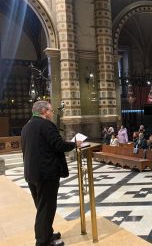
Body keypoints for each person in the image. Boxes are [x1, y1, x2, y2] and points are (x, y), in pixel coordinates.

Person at [21, 101, 82, 246]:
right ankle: (43, 242)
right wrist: (75, 144)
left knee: (42, 206)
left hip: (32, 174)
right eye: (51, 110)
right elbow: (58, 145)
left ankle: (47, 233)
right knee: (47, 207)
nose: (52, 113)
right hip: (46, 174)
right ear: (44, 111)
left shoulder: (26, 126)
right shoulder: (46, 125)